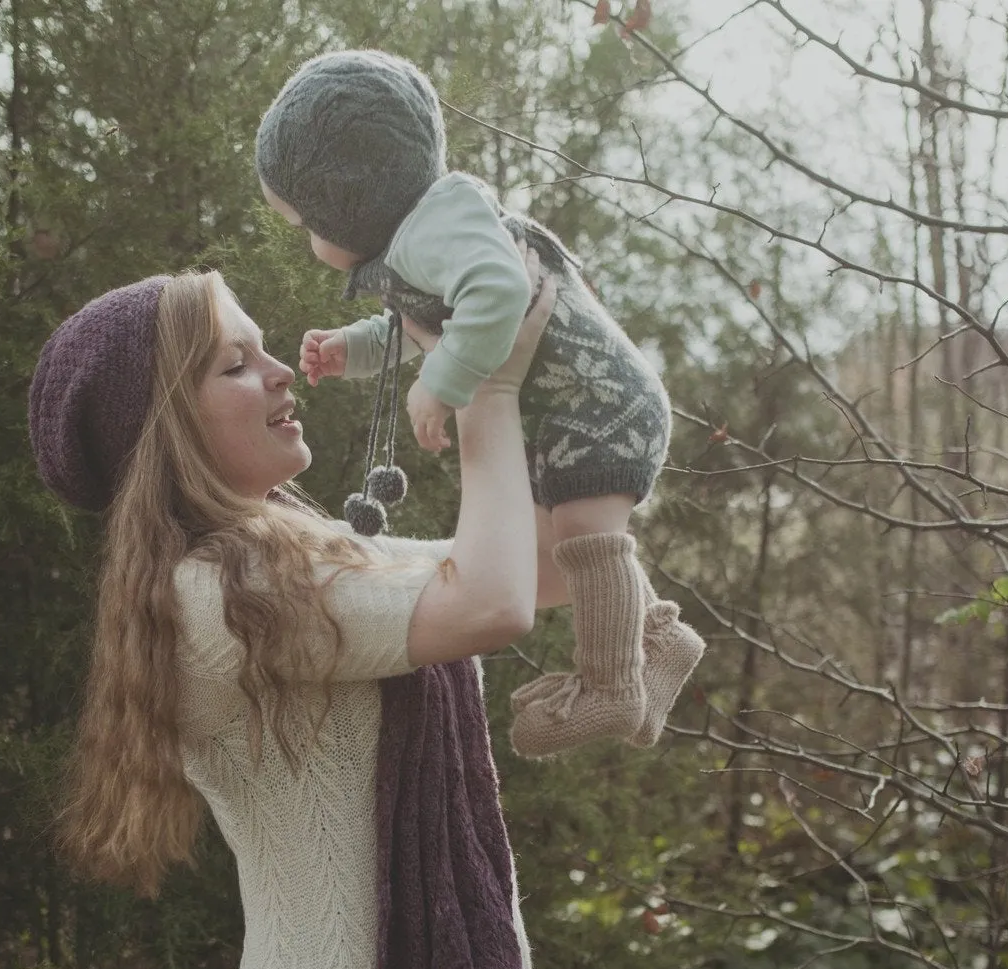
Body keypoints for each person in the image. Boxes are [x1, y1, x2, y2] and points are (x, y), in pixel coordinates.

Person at [25, 256, 596, 969]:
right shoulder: (223, 598)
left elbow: (553, 563)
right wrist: (484, 390)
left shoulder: (307, 555)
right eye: (235, 362)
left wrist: (551, 357)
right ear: (168, 433)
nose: (282, 369)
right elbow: (489, 603)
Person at [255, 48, 705, 759]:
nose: (310, 241)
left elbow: (494, 292)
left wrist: (444, 384)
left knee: (586, 529)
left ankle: (611, 681)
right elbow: (428, 321)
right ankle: (655, 641)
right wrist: (354, 348)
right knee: (563, 532)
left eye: (307, 222)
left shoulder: (439, 224)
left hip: (597, 404)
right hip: (571, 408)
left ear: (349, 196)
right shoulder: (423, 236)